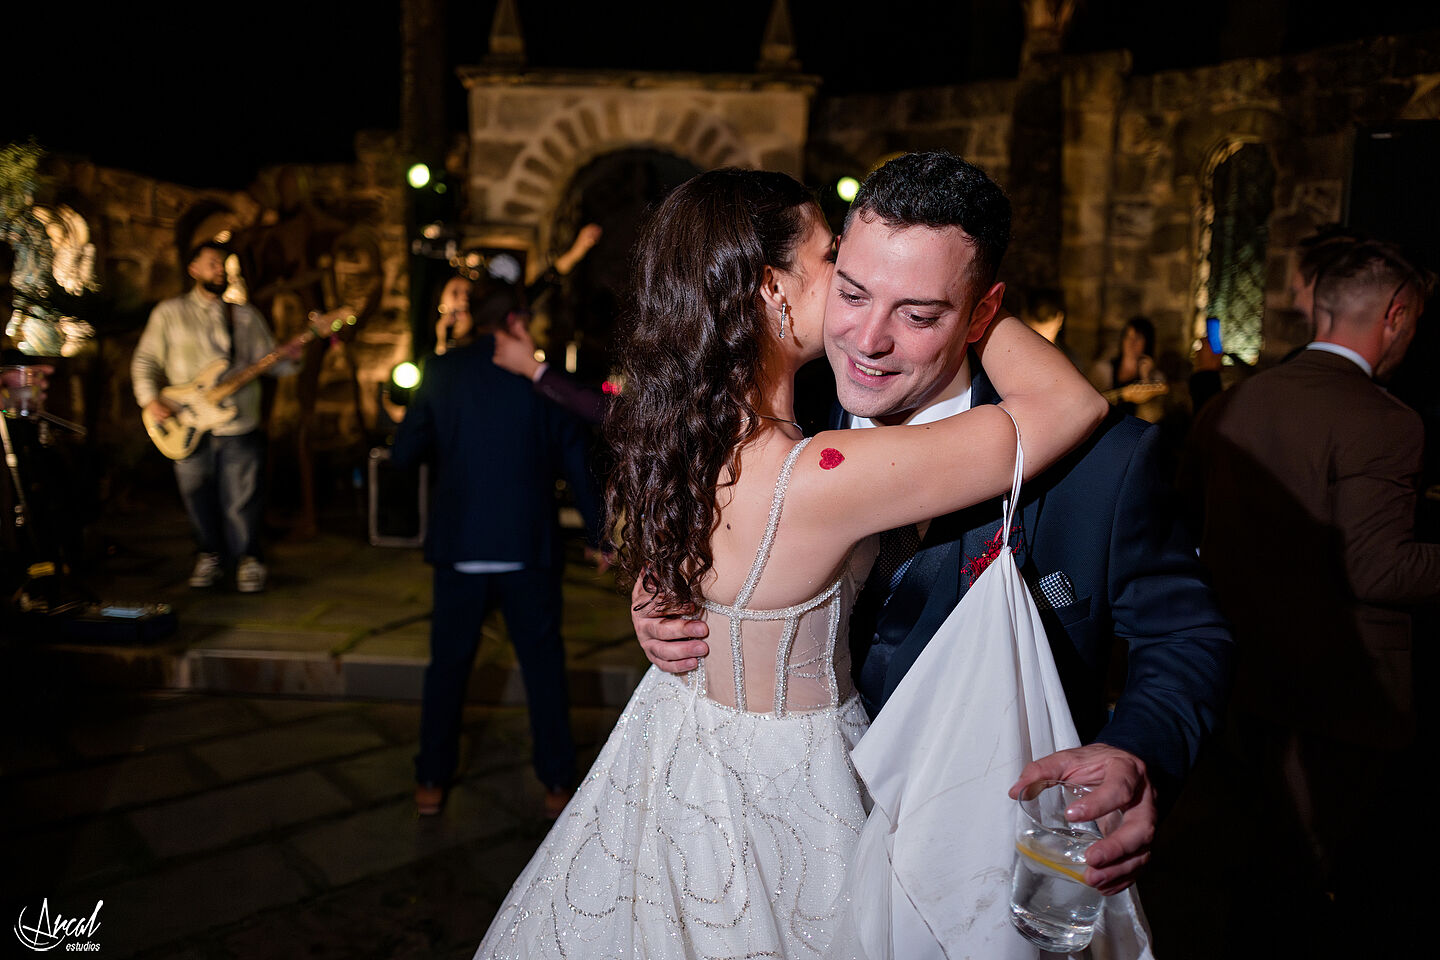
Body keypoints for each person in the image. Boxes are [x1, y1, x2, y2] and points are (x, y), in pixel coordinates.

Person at [475, 168, 1104, 958]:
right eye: (834, 255)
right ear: (772, 289)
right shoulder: (817, 476)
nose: (851, 274)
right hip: (784, 781)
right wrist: (960, 303)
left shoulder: (693, 437)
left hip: (680, 743)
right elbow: (1069, 407)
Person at [638, 152, 1233, 908]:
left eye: (918, 315)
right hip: (785, 851)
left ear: (983, 315)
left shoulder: (1104, 465)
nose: (869, 339)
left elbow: (1187, 638)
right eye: (851, 292)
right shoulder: (786, 410)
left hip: (988, 869)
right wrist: (672, 589)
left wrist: (1137, 750)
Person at [1180, 240, 1437, 957]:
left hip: (1237, 682)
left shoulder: (1230, 405)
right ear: (1396, 314)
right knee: (1304, 889)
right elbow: (1377, 572)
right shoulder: (1385, 420)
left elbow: (1188, 532)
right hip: (1338, 699)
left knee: (1248, 874)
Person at [392, 274, 605, 820]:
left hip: (461, 545)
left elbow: (402, 457)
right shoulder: (538, 380)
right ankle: (557, 783)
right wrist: (599, 534)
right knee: (543, 667)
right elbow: (577, 462)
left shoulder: (439, 372)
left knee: (447, 668)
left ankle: (430, 782)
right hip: (526, 547)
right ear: (514, 320)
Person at [131, 241, 300, 592]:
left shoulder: (245, 316)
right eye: (211, 264)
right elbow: (145, 361)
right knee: (196, 496)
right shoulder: (169, 313)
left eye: (223, 265)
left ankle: (248, 560)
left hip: (238, 422)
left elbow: (273, 365)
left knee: (242, 498)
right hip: (186, 421)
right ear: (193, 269)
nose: (219, 270)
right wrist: (150, 401)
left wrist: (295, 355)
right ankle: (209, 556)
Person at [1090, 315, 1167, 420]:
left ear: (1147, 343)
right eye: (1128, 336)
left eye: (1138, 338)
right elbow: (1091, 405)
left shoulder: (1156, 377)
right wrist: (1123, 395)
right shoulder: (1102, 369)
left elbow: (1153, 418)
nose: (1131, 343)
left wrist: (1146, 379)